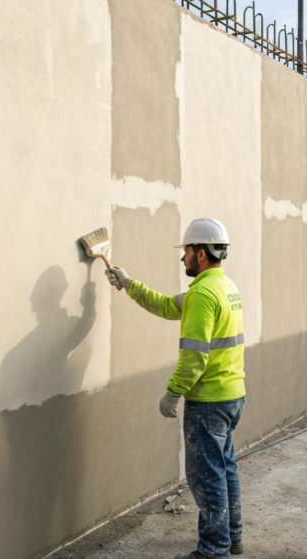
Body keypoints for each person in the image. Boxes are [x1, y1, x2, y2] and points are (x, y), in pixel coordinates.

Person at [105, 218, 246, 558]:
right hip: (232, 396)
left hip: (209, 401)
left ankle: (214, 550)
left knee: (205, 477)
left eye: (185, 252)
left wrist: (173, 392)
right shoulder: (225, 287)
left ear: (200, 253)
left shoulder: (202, 294)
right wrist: (129, 284)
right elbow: (168, 305)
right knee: (224, 469)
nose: (182, 259)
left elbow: (195, 356)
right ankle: (231, 538)